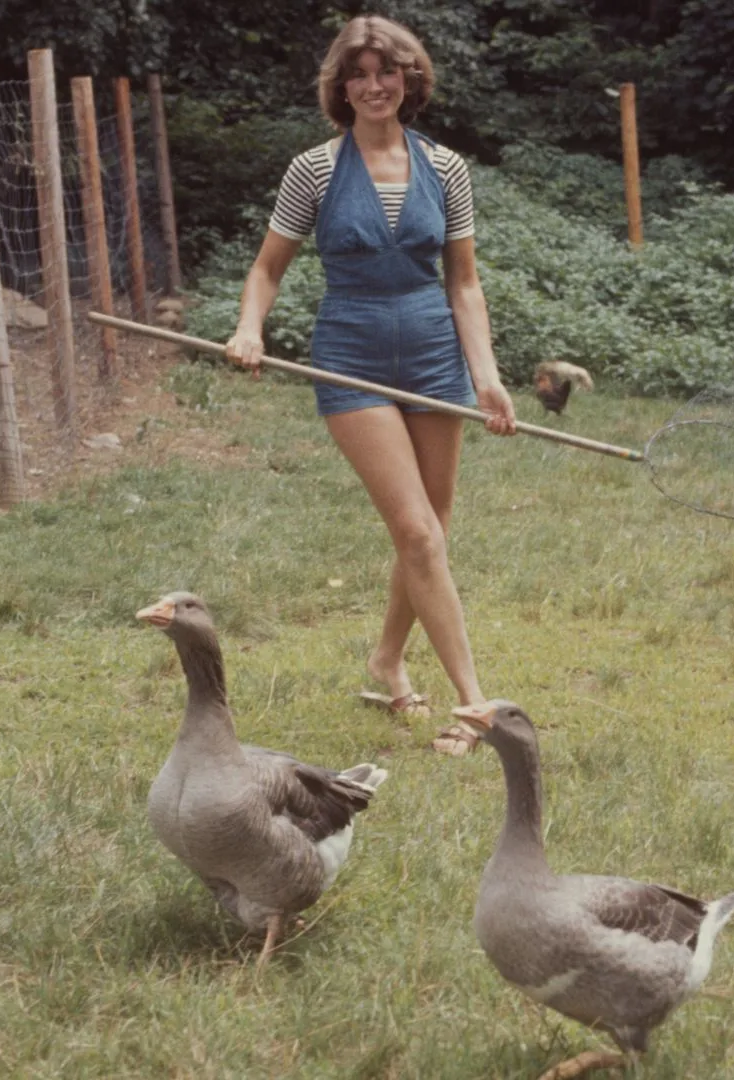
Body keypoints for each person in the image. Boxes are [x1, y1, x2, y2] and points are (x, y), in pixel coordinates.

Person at [224, 14, 516, 756]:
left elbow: (465, 286)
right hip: (350, 357)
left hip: (433, 357)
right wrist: (250, 328)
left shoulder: (446, 169)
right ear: (341, 85)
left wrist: (485, 377)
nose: (375, 85)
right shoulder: (314, 170)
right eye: (360, 73)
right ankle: (474, 703)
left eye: (388, 72)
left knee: (430, 532)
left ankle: (386, 659)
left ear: (408, 79)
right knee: (417, 531)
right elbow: (267, 268)